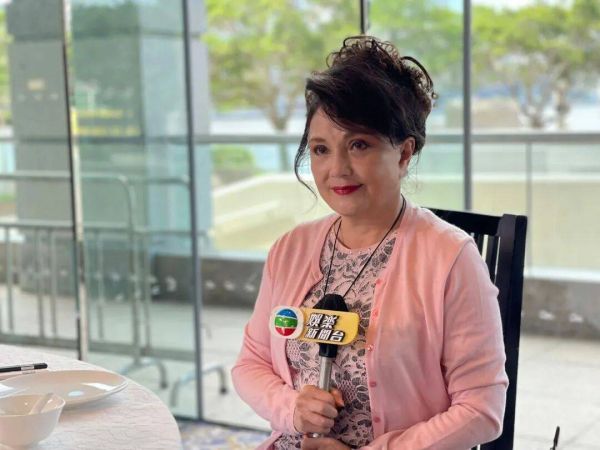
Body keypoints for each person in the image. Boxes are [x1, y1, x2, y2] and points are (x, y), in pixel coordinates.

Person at [231, 35, 507, 450]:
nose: (337, 169)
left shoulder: (451, 258)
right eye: (320, 149)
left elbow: (482, 409)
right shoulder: (291, 248)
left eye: (358, 145)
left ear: (404, 154)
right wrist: (292, 408)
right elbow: (251, 363)